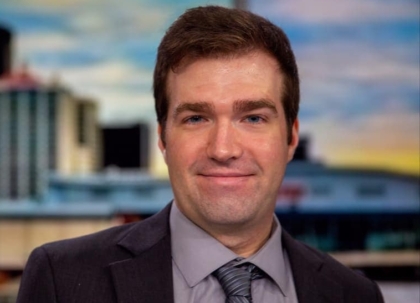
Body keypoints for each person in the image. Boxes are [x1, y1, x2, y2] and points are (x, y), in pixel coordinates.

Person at [17, 6, 384, 303]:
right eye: (196, 118)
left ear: (290, 138)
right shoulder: (61, 280)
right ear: (163, 138)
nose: (223, 149)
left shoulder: (354, 295)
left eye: (253, 117)